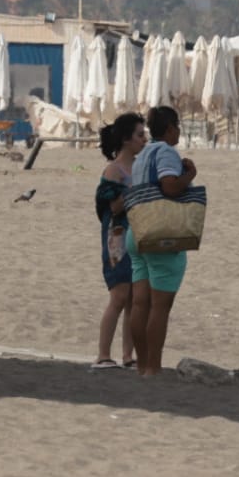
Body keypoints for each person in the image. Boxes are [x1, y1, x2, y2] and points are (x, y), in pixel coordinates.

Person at [126, 105, 198, 377]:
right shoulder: (166, 152)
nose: (179, 131)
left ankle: (142, 365)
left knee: (139, 304)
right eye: (177, 126)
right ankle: (153, 366)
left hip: (138, 231)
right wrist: (190, 175)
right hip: (161, 235)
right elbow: (169, 185)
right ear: (169, 128)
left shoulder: (142, 154)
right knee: (160, 306)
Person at [90, 112, 146, 371]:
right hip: (117, 239)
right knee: (119, 296)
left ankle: (127, 355)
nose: (144, 139)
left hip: (138, 237)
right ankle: (103, 354)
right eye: (139, 135)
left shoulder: (141, 167)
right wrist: (134, 192)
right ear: (126, 139)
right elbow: (111, 208)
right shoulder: (114, 170)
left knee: (135, 297)